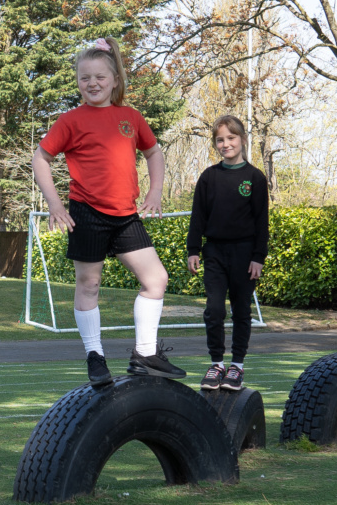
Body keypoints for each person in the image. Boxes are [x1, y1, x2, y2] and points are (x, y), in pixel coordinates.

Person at [33, 37, 183, 387]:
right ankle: (95, 356)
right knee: (89, 284)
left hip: (125, 215)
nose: (93, 83)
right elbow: (41, 158)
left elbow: (154, 153)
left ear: (115, 79)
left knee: (156, 280)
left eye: (100, 76)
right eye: (85, 78)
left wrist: (155, 191)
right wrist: (55, 204)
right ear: (78, 83)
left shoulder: (130, 117)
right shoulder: (70, 121)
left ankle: (145, 354)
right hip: (86, 213)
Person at [186, 114, 270, 390]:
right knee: (213, 309)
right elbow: (197, 216)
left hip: (245, 255)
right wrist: (193, 249)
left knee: (241, 310)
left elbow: (261, 222)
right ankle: (216, 364)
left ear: (242, 140)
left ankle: (237, 366)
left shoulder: (255, 178)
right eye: (220, 140)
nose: (226, 144)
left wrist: (258, 257)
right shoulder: (209, 177)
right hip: (215, 253)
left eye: (231, 138)